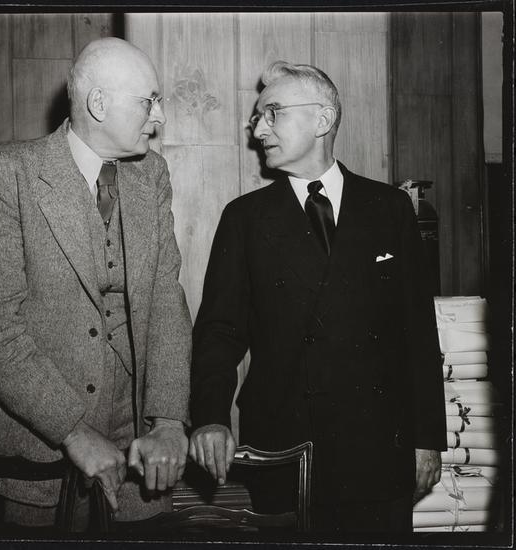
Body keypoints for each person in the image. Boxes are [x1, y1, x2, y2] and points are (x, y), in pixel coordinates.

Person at [189, 61, 446, 533]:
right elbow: (219, 332)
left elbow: (418, 334)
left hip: (377, 448)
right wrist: (210, 417)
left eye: (272, 113)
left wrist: (427, 439)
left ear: (322, 120)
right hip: (285, 448)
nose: (258, 130)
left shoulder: (389, 209)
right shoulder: (245, 218)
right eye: (257, 118)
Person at [0, 37, 191, 529]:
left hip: (133, 449)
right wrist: (73, 431)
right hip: (30, 452)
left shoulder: (152, 175)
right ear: (98, 104)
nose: (161, 116)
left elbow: (166, 301)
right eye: (149, 101)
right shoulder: (7, 175)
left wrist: (168, 421)